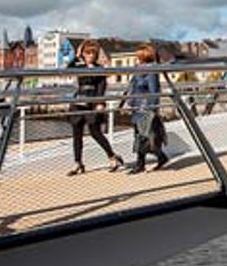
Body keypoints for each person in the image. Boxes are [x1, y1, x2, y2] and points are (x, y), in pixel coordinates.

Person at [66, 39, 123, 176]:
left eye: (93, 53)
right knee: (77, 134)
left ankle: (112, 156)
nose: (90, 55)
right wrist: (78, 54)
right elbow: (68, 68)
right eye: (87, 53)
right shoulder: (79, 66)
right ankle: (78, 163)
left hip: (92, 101)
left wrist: (99, 102)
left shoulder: (99, 68)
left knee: (95, 132)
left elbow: (102, 87)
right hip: (78, 102)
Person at [126, 43, 169, 174]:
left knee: (144, 136)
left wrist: (152, 109)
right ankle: (148, 162)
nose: (135, 58)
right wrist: (130, 102)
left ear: (144, 56)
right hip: (137, 107)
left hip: (145, 108)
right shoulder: (138, 70)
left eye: (137, 56)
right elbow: (133, 88)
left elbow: (154, 91)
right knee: (139, 136)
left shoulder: (151, 71)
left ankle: (146, 162)